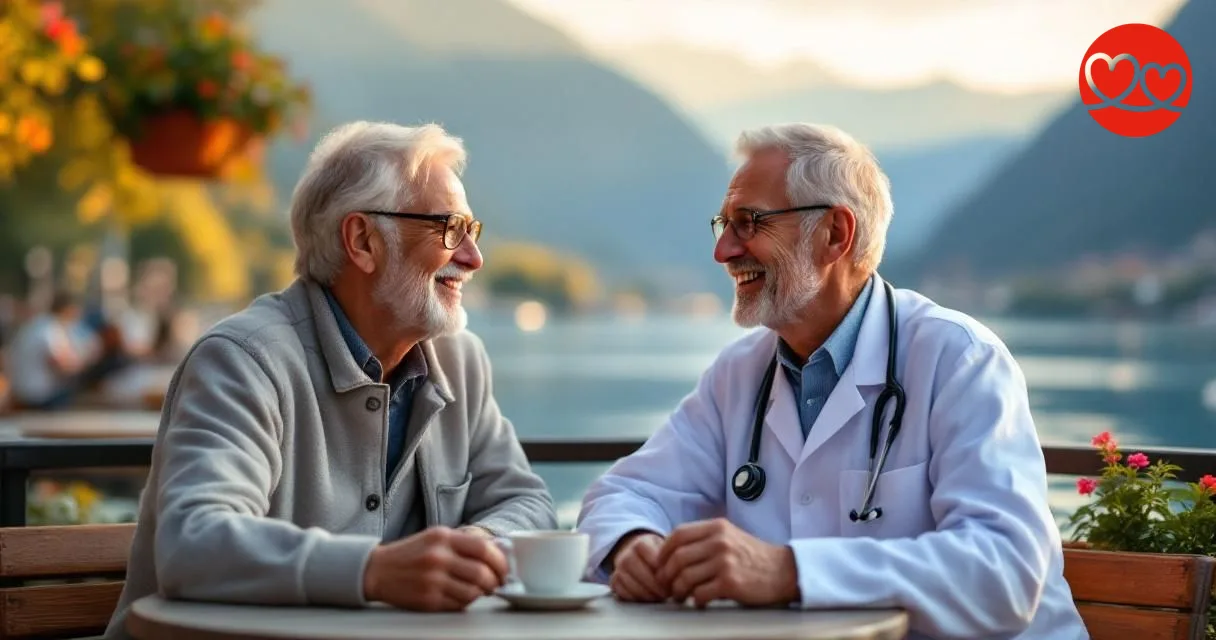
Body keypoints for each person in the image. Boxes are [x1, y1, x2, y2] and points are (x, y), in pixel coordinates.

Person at [576, 123, 1088, 639]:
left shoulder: (960, 359)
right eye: (723, 224)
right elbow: (625, 492)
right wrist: (632, 543)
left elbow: (1003, 572)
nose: (725, 251)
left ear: (835, 234)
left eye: (749, 222)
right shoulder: (739, 375)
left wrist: (788, 573)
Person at [104, 121, 557, 639]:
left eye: (472, 232)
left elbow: (529, 504)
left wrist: (474, 548)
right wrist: (375, 572)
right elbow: (195, 543)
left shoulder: (461, 362)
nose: (473, 258)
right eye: (449, 228)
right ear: (362, 240)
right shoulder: (243, 360)